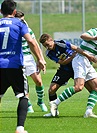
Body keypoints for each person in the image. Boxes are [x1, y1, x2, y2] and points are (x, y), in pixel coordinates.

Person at [48, 19, 97, 118]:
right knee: (78, 87)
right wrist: (94, 37)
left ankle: (88, 112)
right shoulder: (94, 32)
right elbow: (83, 36)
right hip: (80, 60)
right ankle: (55, 103)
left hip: (88, 63)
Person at [0, 1, 46, 133]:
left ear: (0, 11)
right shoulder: (19, 23)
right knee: (23, 96)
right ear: (14, 12)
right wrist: (40, 59)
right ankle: (20, 128)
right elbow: (31, 41)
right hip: (15, 66)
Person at [39, 33, 97, 117]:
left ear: (51, 40)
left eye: (48, 45)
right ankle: (54, 113)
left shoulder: (61, 44)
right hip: (65, 70)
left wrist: (88, 56)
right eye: (45, 46)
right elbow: (62, 62)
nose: (47, 47)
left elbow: (76, 48)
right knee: (51, 90)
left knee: (91, 88)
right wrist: (71, 57)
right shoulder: (49, 53)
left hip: (76, 67)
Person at [15, 11, 48, 113]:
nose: (23, 21)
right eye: (20, 20)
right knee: (23, 84)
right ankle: (28, 104)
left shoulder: (28, 30)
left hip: (28, 58)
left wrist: (41, 59)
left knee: (38, 81)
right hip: (17, 59)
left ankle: (40, 101)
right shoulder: (13, 30)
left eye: (23, 19)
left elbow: (35, 45)